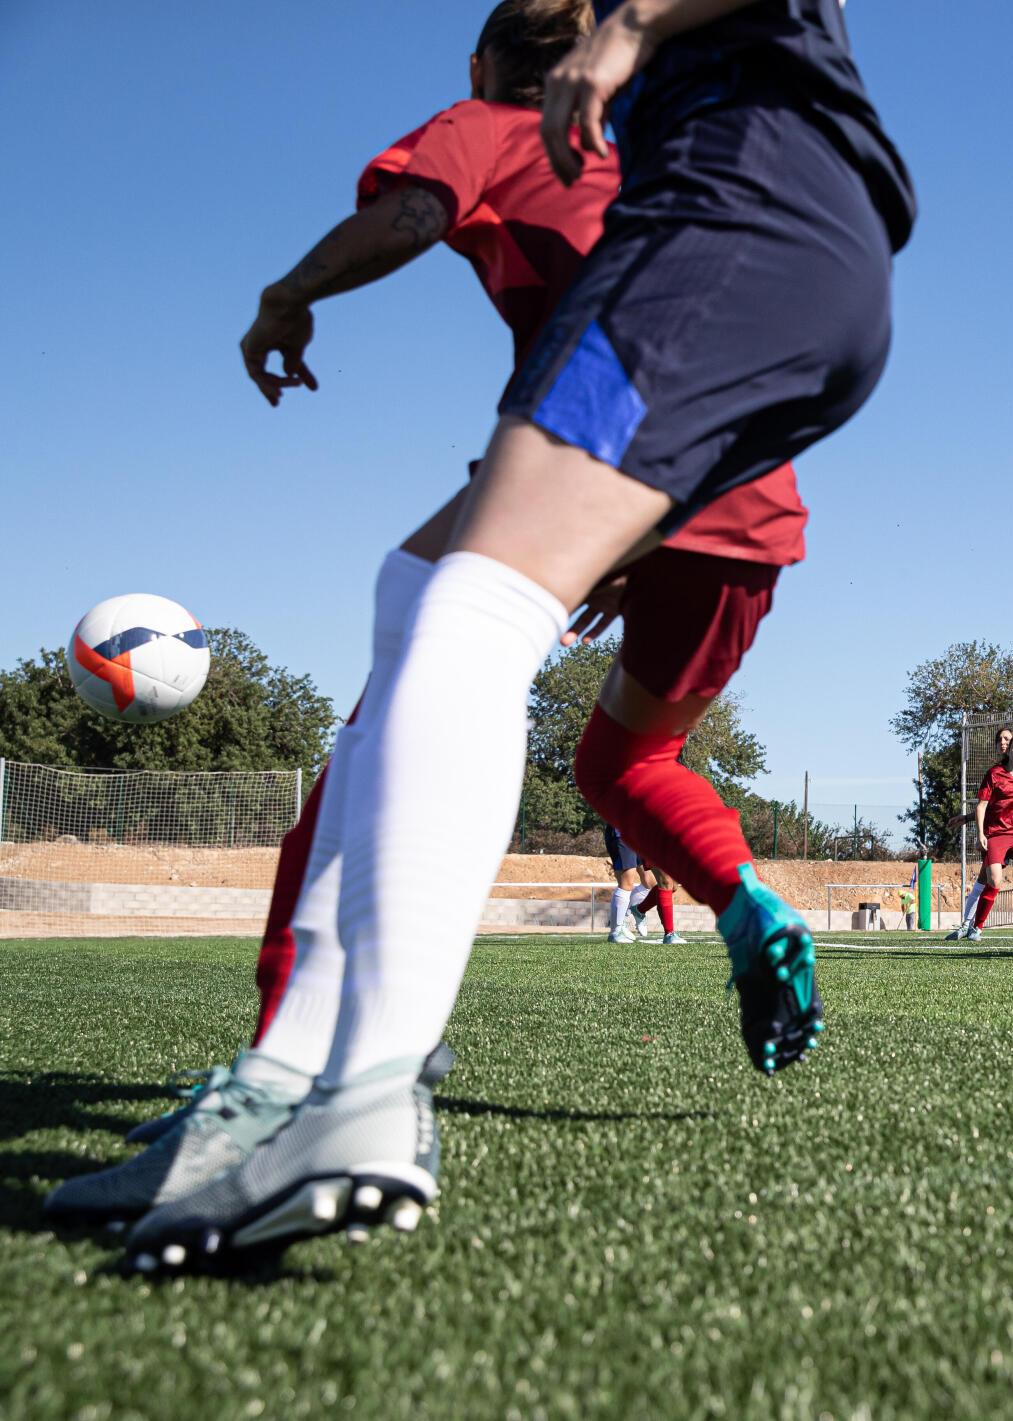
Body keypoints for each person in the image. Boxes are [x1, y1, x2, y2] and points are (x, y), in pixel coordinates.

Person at [72, 0, 905, 1264]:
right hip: (756, 440)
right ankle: (296, 1072)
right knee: (442, 619)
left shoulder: (504, 117)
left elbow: (411, 213)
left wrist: (287, 291)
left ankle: (338, 1093)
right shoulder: (631, 131)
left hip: (727, 247)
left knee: (455, 626)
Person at [947, 732, 1013, 943]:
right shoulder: (994, 774)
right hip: (996, 835)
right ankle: (975, 927)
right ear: (1009, 751)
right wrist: (981, 833)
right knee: (993, 880)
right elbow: (982, 806)